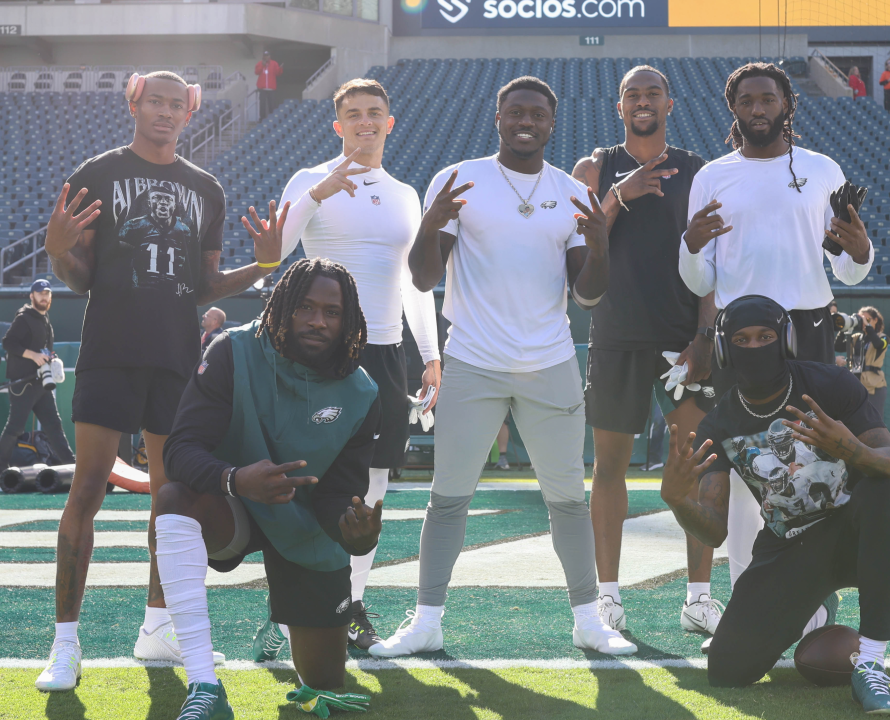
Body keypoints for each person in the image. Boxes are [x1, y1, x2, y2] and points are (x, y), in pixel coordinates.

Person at [37, 70, 287, 692]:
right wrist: (55, 251)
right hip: (111, 350)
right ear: (135, 102)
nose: (167, 112)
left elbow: (204, 285)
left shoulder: (206, 187)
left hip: (176, 358)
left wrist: (262, 267)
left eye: (178, 104)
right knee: (88, 487)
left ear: (191, 112)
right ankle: (64, 644)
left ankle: (157, 629)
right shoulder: (99, 171)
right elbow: (80, 277)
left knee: (170, 497)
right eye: (157, 101)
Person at [371, 76, 634, 657]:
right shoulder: (458, 179)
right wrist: (431, 223)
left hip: (549, 360)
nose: (526, 121)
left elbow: (587, 295)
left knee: (566, 497)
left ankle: (588, 619)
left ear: (551, 123)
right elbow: (421, 278)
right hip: (473, 360)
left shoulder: (569, 191)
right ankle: (427, 621)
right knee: (449, 497)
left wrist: (599, 244)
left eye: (537, 114)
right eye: (515, 111)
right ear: (498, 117)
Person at [678, 61, 873, 612]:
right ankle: (751, 604)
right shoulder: (712, 177)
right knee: (745, 473)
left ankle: (815, 609)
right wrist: (690, 244)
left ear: (787, 105)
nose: (758, 109)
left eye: (768, 99)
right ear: (733, 108)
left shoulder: (822, 169)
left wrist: (860, 248)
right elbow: (700, 278)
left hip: (809, 332)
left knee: (815, 470)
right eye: (747, 101)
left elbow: (851, 269)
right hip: (741, 340)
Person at [659, 295, 890, 714]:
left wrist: (850, 449)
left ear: (785, 341)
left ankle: (870, 662)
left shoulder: (829, 384)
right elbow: (714, 529)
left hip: (854, 529)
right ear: (724, 350)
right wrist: (676, 501)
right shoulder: (718, 423)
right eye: (741, 339)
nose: (754, 347)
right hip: (791, 545)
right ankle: (818, 606)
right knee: (727, 670)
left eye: (765, 336)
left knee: (882, 492)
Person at [155, 258, 382, 720]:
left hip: (305, 527)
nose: (319, 320)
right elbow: (179, 450)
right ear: (282, 306)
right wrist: (235, 479)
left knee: (323, 691)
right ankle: (203, 684)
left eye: (332, 312)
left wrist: (355, 533)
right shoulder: (231, 351)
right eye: (305, 307)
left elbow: (339, 493)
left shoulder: (361, 392)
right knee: (173, 499)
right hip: (231, 504)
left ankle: (281, 618)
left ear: (349, 319)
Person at [278, 77, 439, 651]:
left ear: (389, 123)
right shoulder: (308, 181)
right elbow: (273, 252)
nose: (365, 121)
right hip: (318, 352)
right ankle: (291, 606)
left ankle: (353, 606)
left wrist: (431, 354)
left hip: (385, 354)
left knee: (370, 494)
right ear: (337, 123)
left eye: (375, 112)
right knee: (304, 483)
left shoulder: (404, 193)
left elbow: (415, 282)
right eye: (353, 113)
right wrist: (319, 194)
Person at [570, 64, 724, 635]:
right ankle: (607, 597)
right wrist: (618, 194)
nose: (642, 102)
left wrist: (704, 336)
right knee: (609, 467)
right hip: (614, 336)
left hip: (682, 340)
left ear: (669, 103)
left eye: (651, 93)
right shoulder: (594, 167)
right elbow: (578, 247)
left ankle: (699, 598)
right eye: (632, 94)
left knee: (700, 465)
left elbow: (713, 262)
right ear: (619, 107)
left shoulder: (699, 170)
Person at [0, 279, 75, 467]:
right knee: (15, 429)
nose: (44, 296)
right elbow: (8, 343)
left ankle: (70, 466)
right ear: (31, 296)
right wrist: (33, 355)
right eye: (40, 293)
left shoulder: (44, 319)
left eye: (47, 293)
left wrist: (52, 358)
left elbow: (41, 349)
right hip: (23, 384)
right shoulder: (24, 317)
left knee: (54, 427)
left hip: (41, 383)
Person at [847, 306, 889, 418]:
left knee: (874, 419)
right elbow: (839, 346)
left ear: (876, 320)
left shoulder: (883, 338)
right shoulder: (856, 337)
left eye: (868, 319)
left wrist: (868, 327)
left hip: (874, 386)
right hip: (855, 384)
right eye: (862, 319)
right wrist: (847, 327)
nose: (865, 323)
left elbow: (878, 344)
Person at [254, 51, 283, 119]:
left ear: (269, 56)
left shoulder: (274, 63)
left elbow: (278, 73)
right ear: (263, 56)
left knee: (272, 104)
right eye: (265, 55)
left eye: (267, 55)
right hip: (262, 88)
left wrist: (280, 68)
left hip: (271, 88)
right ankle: (262, 118)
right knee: (262, 104)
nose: (266, 57)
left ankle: (272, 118)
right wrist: (262, 65)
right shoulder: (259, 63)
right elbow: (256, 72)